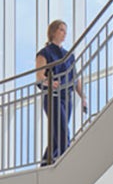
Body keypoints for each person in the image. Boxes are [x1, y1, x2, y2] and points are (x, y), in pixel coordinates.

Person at [35, 20, 87, 165]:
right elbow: (39, 75)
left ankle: (45, 165)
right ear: (53, 32)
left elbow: (75, 78)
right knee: (62, 132)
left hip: (67, 97)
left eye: (65, 30)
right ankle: (68, 163)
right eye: (61, 30)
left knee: (56, 135)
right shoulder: (44, 53)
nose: (64, 33)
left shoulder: (68, 56)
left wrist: (83, 96)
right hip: (52, 97)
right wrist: (49, 81)